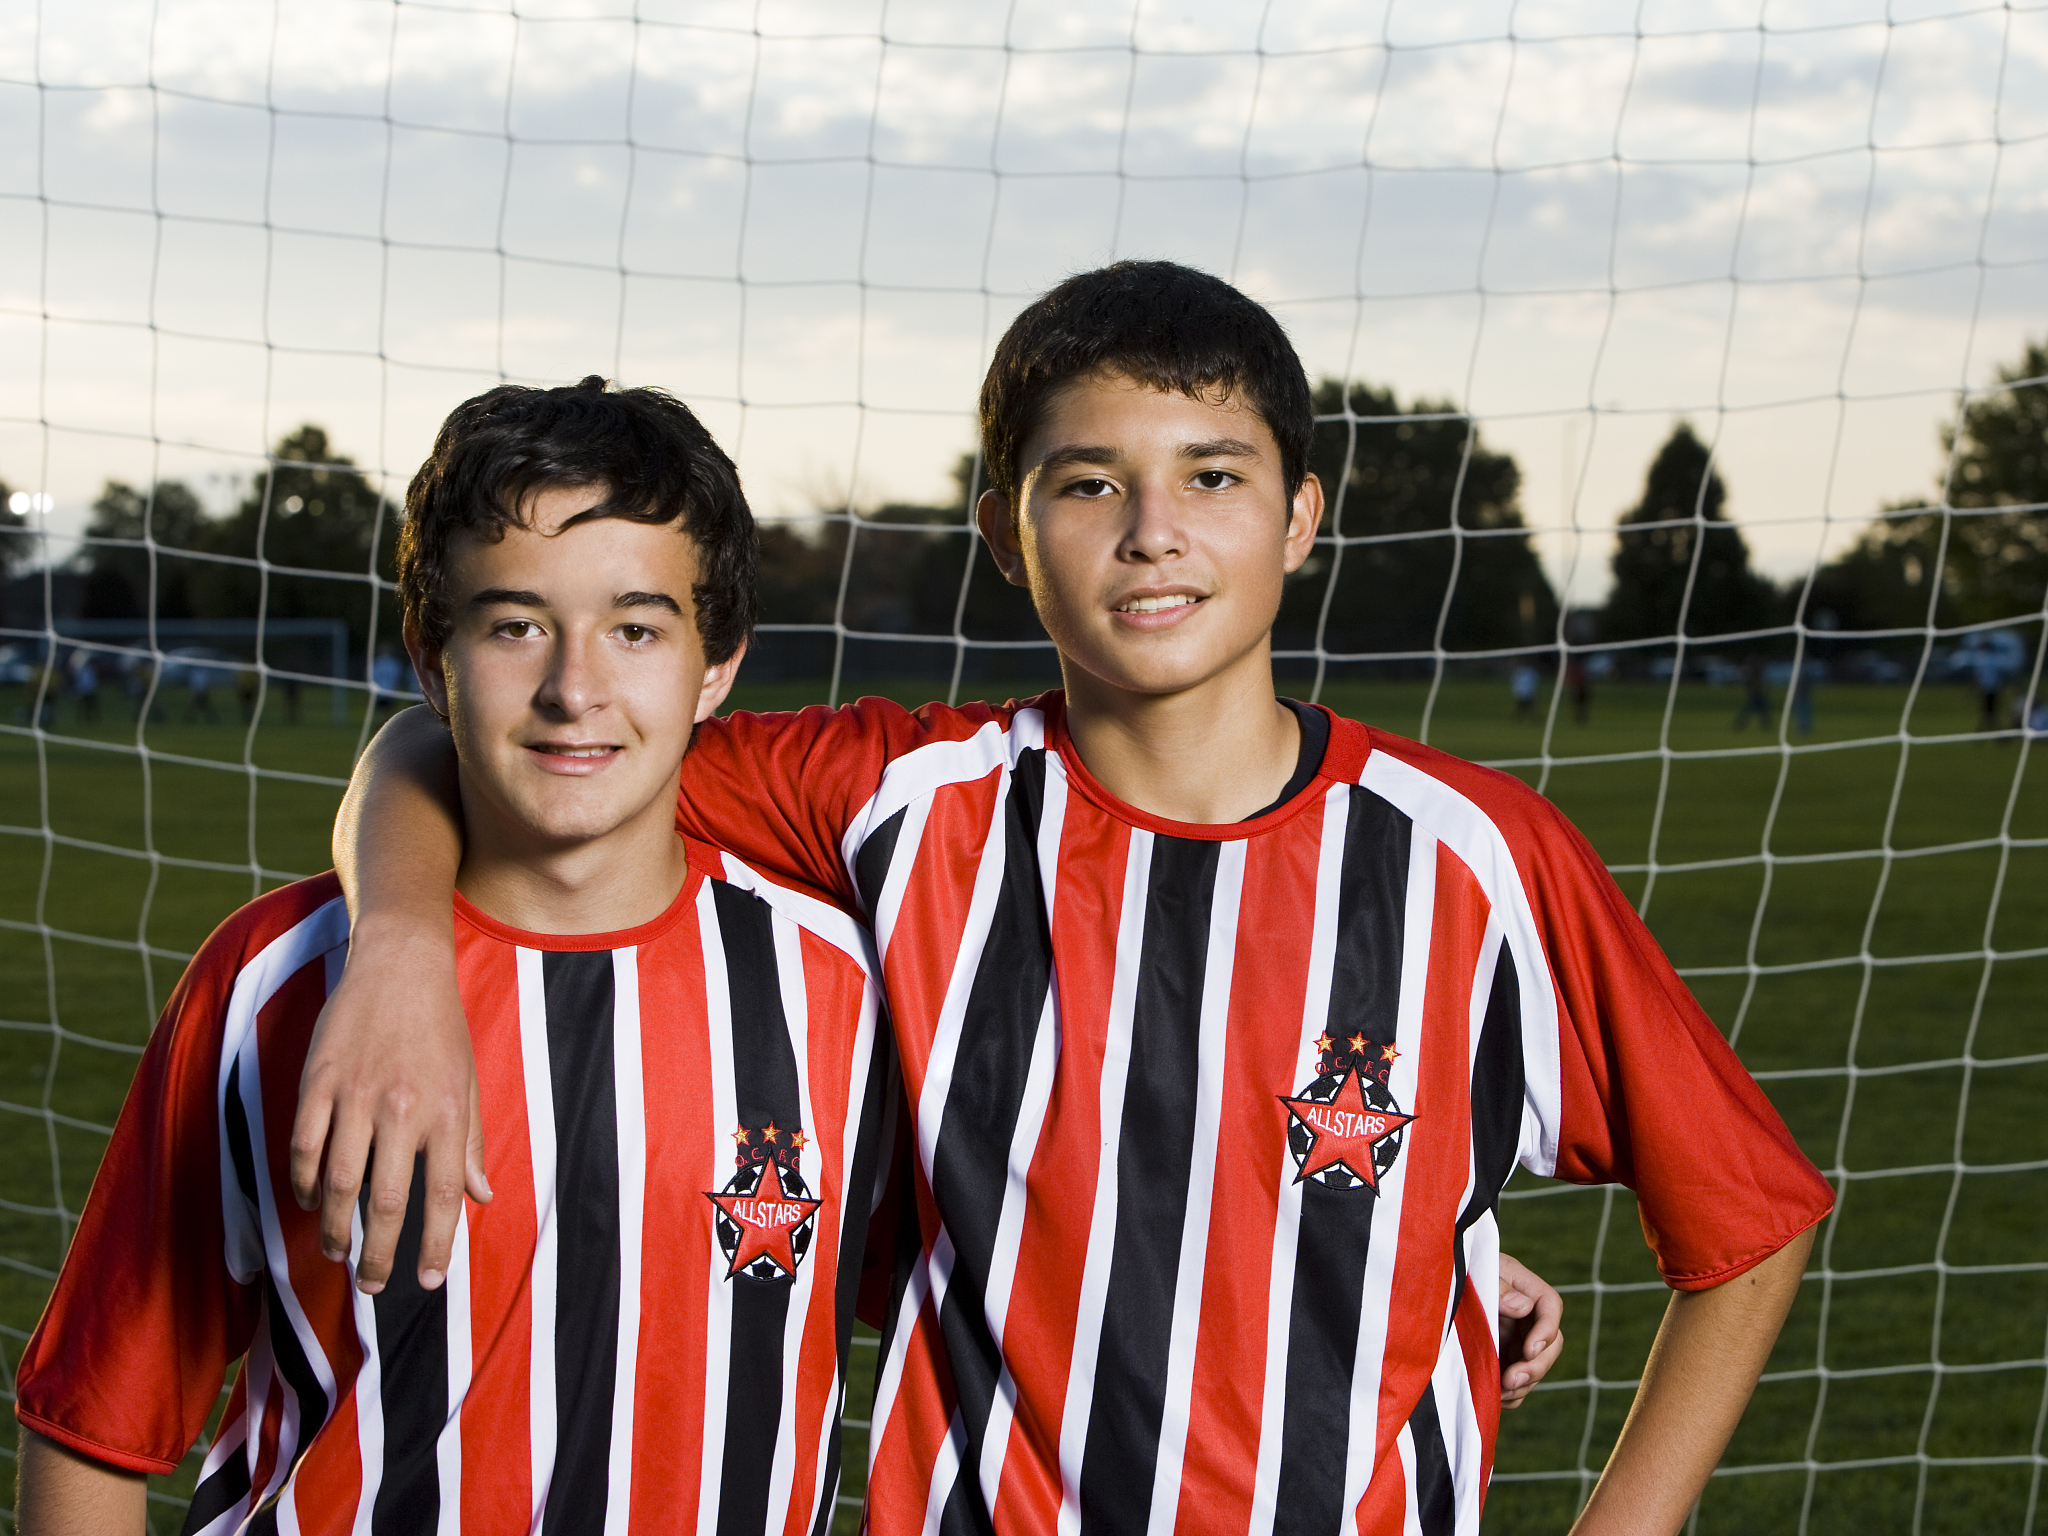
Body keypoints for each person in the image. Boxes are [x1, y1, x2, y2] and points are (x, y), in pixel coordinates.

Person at [302, 264, 1822, 1533]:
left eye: (1213, 479)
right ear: (1003, 532)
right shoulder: (890, 801)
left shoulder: (1474, 859)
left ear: (1301, 517)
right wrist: (395, 951)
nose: (1153, 530)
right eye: (1089, 483)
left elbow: (1746, 1223)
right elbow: (474, 738)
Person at [13, 380, 897, 1533]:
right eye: (514, 625)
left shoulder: (842, 990)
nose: (574, 690)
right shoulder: (273, 980)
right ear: (432, 662)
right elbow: (96, 1423)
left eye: (634, 628)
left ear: (716, 663)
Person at [1732, 655, 1772, 731]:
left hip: (1757, 695)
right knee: (1757, 711)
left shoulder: (1754, 674)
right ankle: (1739, 725)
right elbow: (1754, 686)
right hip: (1756, 695)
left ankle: (1766, 726)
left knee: (1757, 711)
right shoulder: (1755, 674)